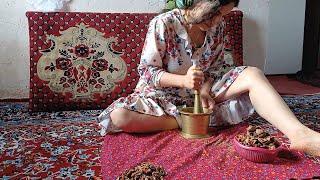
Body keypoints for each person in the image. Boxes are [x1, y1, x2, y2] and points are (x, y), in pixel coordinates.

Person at [98, 0, 320, 156]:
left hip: (202, 93)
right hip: (162, 95)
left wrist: (204, 88)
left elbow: (217, 68)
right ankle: (188, 121)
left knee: (252, 74)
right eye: (213, 13)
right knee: (119, 117)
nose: (216, 21)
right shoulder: (164, 23)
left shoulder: (217, 26)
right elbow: (147, 72)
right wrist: (183, 81)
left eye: (222, 15)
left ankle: (299, 134)